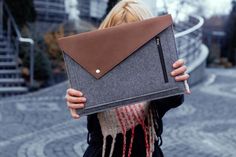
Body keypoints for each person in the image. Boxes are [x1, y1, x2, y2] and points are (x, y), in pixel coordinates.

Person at [65, 0, 190, 157]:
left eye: (136, 38)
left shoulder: (156, 72)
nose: (126, 47)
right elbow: (80, 97)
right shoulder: (94, 72)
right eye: (118, 37)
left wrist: (175, 78)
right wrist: (73, 99)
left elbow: (172, 99)